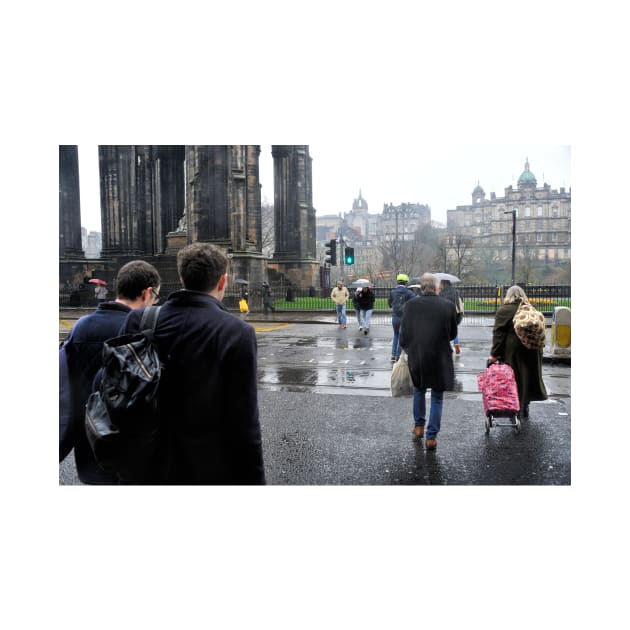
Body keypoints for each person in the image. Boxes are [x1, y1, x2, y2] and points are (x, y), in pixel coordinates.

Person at [118, 242, 265, 484]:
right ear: (222, 282)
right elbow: (244, 420)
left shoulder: (139, 320)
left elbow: (117, 384)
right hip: (207, 466)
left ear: (181, 277)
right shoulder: (237, 332)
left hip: (145, 461)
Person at [59, 260, 161, 484]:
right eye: (156, 297)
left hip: (91, 447)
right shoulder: (145, 331)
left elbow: (63, 388)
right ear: (147, 293)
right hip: (135, 452)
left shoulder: (81, 327)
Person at [399, 273, 458, 450]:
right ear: (437, 287)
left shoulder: (410, 305)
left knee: (419, 390)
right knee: (437, 397)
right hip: (439, 356)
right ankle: (431, 437)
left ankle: (418, 427)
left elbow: (404, 335)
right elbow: (453, 334)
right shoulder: (447, 306)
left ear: (421, 287)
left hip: (418, 355)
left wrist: (409, 349)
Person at [488, 285, 548, 419]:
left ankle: (515, 407)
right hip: (532, 348)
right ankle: (525, 404)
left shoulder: (504, 310)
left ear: (508, 295)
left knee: (514, 378)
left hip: (514, 349)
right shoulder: (529, 308)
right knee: (528, 376)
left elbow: (499, 334)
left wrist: (494, 353)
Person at [388, 273, 416, 362]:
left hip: (395, 317)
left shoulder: (392, 292)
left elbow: (389, 304)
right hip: (405, 317)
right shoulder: (409, 293)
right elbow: (415, 301)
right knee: (402, 336)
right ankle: (398, 355)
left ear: (398, 281)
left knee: (396, 335)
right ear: (406, 282)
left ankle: (392, 354)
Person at [439, 278, 463, 354]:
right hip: (454, 313)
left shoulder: (441, 292)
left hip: (444, 313)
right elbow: (460, 302)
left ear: (444, 284)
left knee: (444, 331)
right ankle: (456, 344)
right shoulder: (455, 291)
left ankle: (447, 347)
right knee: (453, 329)